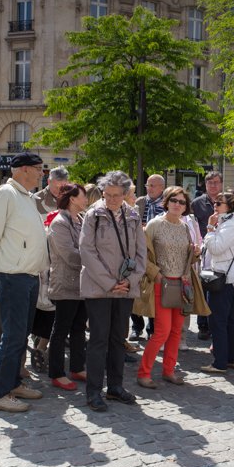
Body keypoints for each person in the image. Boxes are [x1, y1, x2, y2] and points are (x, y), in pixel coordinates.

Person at [0, 152, 48, 413]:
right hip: (13, 275)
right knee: (12, 335)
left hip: (29, 275)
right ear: (23, 170)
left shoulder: (26, 197)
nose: (42, 173)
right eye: (39, 169)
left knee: (21, 333)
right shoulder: (6, 194)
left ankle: (14, 382)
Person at [79, 171, 146, 412]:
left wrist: (130, 280)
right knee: (98, 340)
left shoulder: (133, 215)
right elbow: (87, 252)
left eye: (117, 195)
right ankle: (93, 391)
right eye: (107, 195)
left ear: (127, 194)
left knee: (118, 338)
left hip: (125, 288)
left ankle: (115, 386)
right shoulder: (93, 215)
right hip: (99, 288)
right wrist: (109, 282)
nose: (111, 200)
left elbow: (141, 253)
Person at [136, 186, 208, 388]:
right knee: (162, 332)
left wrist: (194, 253)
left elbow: (187, 257)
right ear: (166, 202)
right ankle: (144, 373)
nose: (178, 204)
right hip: (162, 283)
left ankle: (169, 370)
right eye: (174, 200)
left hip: (182, 284)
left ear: (186, 206)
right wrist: (156, 274)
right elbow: (141, 254)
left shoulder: (185, 227)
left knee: (177, 331)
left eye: (182, 202)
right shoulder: (155, 224)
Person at [45, 183, 90, 390]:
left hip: (82, 285)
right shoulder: (59, 222)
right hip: (65, 284)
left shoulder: (80, 219)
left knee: (79, 328)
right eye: (83, 196)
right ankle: (56, 373)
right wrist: (94, 260)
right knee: (61, 330)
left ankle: (77, 367)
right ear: (72, 199)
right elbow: (71, 256)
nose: (86, 200)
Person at [201, 191, 234, 374]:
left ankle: (219, 362)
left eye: (219, 203)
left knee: (218, 322)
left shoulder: (231, 226)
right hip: (229, 278)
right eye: (215, 202)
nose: (215, 205)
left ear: (230, 206)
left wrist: (210, 229)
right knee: (228, 321)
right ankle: (230, 358)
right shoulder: (231, 223)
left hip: (224, 278)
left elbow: (216, 248)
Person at [130, 174, 167, 341]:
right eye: (147, 185)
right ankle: (136, 327)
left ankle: (153, 328)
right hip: (139, 250)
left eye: (153, 185)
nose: (149, 188)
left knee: (154, 291)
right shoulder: (139, 203)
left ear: (161, 188)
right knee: (135, 288)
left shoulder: (167, 204)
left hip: (157, 252)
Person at [191, 171, 224, 340]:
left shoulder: (227, 201)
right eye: (210, 182)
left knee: (218, 288)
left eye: (216, 182)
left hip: (223, 249)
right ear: (205, 185)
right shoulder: (197, 204)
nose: (213, 185)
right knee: (203, 288)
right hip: (204, 251)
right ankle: (203, 325)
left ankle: (216, 323)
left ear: (221, 184)